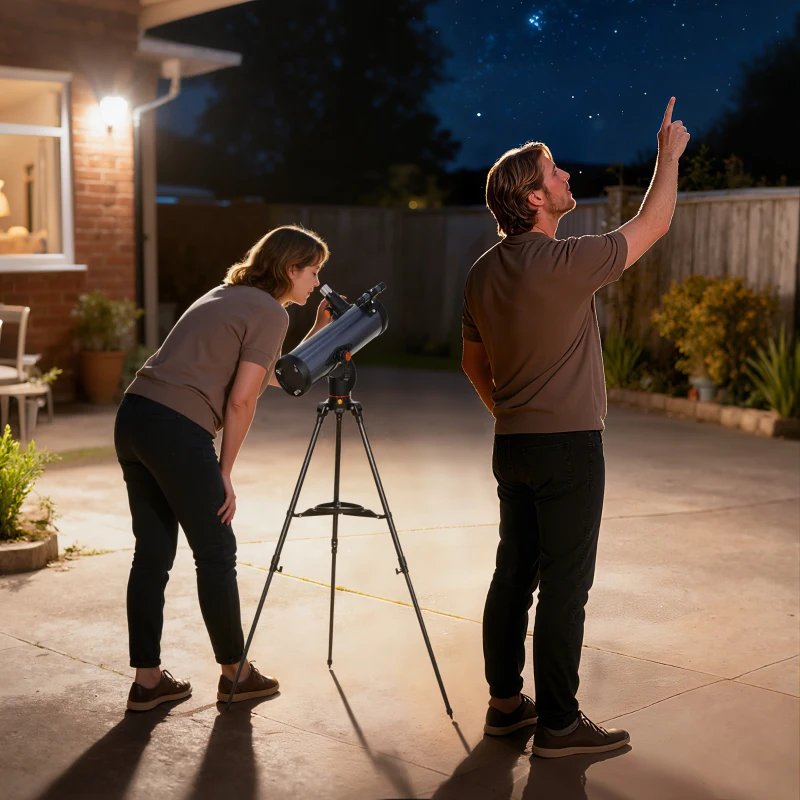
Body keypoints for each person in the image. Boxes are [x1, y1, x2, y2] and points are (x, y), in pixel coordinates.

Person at [461, 98, 690, 757]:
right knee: (565, 588)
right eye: (555, 172)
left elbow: (473, 362)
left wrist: (509, 416)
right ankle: (559, 724)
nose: (566, 178)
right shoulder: (564, 262)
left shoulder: (482, 273)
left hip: (515, 447)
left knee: (513, 575)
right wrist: (668, 156)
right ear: (533, 197)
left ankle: (507, 709)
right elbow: (654, 222)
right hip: (569, 451)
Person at [115, 224, 333, 712]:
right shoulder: (269, 312)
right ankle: (237, 673)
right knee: (216, 550)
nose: (317, 282)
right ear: (290, 268)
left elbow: (268, 375)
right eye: (313, 271)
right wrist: (224, 471)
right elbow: (241, 400)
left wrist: (318, 332)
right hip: (177, 428)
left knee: (151, 555)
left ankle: (147, 682)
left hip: (134, 416)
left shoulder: (227, 295)